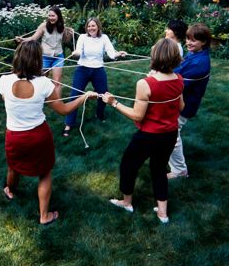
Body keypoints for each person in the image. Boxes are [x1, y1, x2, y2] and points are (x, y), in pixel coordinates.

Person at [0, 41, 97, 225]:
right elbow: (64, 110)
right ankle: (44, 216)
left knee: (13, 166)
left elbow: (7, 98)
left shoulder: (4, 80)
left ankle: (10, 191)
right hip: (38, 137)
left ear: (17, 58)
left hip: (14, 136)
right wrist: (83, 97)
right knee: (44, 173)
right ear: (37, 61)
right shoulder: (45, 84)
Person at [102, 38, 184, 223]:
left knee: (128, 165)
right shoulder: (179, 80)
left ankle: (127, 202)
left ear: (156, 57)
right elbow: (181, 106)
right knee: (159, 169)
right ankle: (162, 213)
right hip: (170, 134)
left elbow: (137, 116)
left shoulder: (145, 83)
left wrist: (114, 103)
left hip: (149, 136)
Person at [63, 17, 126, 137]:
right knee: (74, 95)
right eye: (89, 26)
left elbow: (111, 54)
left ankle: (100, 115)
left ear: (98, 27)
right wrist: (76, 54)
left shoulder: (104, 38)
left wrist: (119, 54)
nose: (91, 28)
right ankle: (69, 123)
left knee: (103, 94)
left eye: (93, 26)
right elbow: (78, 52)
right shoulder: (82, 37)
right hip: (83, 69)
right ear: (86, 27)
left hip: (98, 70)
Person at [167, 23, 212, 179]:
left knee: (172, 134)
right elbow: (178, 69)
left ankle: (179, 170)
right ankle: (168, 158)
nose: (189, 43)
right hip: (180, 102)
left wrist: (158, 78)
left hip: (184, 106)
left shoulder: (200, 63)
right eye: (188, 39)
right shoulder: (194, 54)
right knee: (169, 133)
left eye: (194, 40)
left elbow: (177, 83)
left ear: (204, 42)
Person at [15, 6, 73, 98]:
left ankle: (57, 103)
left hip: (58, 57)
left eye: (53, 16)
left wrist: (69, 34)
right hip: (44, 57)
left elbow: (66, 41)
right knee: (41, 79)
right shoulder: (43, 26)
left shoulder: (62, 27)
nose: (51, 18)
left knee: (57, 81)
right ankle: (38, 98)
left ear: (58, 16)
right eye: (49, 15)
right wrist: (23, 39)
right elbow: (33, 38)